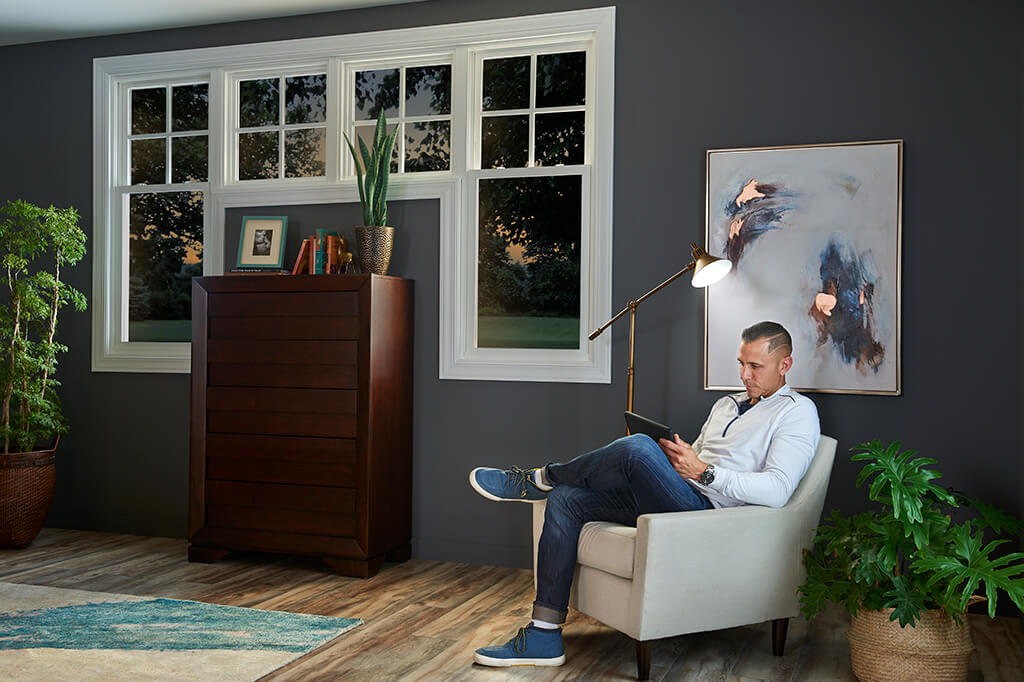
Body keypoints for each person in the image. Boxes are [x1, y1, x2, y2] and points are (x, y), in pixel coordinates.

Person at [468, 321, 820, 668]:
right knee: (567, 498)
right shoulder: (726, 404)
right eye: (741, 364)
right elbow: (701, 456)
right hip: (682, 493)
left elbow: (777, 490)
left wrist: (704, 472)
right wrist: (682, 457)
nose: (745, 374)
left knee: (638, 446)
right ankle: (543, 634)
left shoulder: (797, 413)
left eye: (755, 366)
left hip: (711, 515)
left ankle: (540, 477)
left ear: (784, 364)